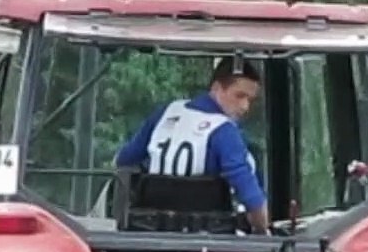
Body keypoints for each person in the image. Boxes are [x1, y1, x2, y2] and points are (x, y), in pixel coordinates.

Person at [116, 56, 270, 235]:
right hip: (205, 240)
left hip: (150, 235)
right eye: (239, 96)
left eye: (250, 100)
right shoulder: (224, 131)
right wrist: (262, 229)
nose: (245, 107)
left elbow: (125, 160)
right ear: (217, 88)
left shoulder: (166, 112)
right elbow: (250, 194)